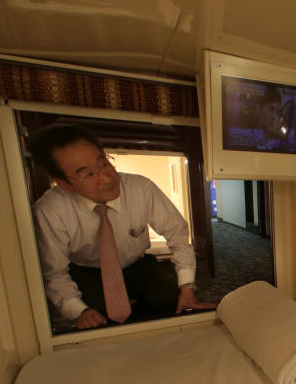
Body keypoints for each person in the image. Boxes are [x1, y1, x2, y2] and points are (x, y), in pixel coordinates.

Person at [29, 124, 216, 330]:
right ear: (64, 184)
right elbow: (54, 273)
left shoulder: (140, 188)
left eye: (104, 164)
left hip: (139, 265)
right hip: (88, 273)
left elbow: (178, 237)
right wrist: (79, 311)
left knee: (174, 311)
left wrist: (187, 287)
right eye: (88, 175)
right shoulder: (51, 210)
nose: (107, 178)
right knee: (101, 327)